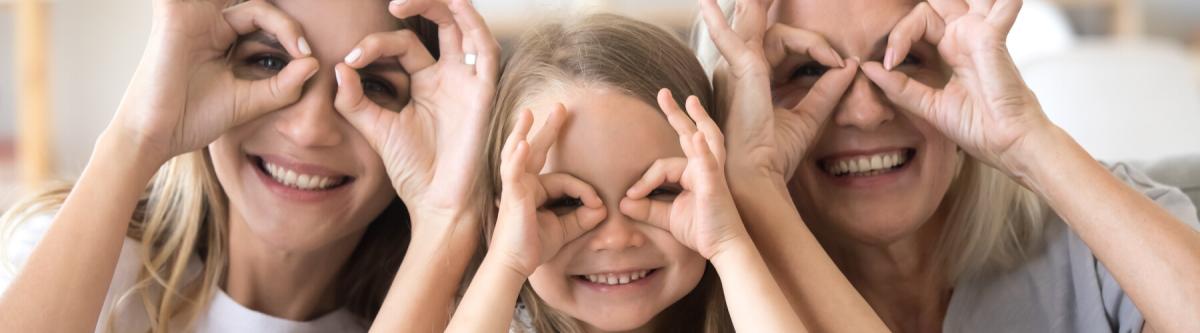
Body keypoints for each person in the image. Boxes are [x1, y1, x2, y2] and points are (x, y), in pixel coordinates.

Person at [695, 0, 1200, 332]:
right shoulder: (711, 298)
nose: (867, 112)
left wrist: (1027, 141)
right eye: (807, 71)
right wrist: (752, 183)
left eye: (907, 58)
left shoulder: (1098, 232)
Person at [0, 0, 499, 331]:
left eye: (373, 86)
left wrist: (444, 217)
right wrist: (137, 136)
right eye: (270, 63)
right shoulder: (72, 255)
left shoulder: (465, 319)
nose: (310, 130)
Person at [446, 14, 803, 332]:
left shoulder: (758, 310)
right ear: (499, 221)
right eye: (565, 202)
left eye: (661, 191)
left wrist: (728, 243)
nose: (617, 238)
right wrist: (506, 263)